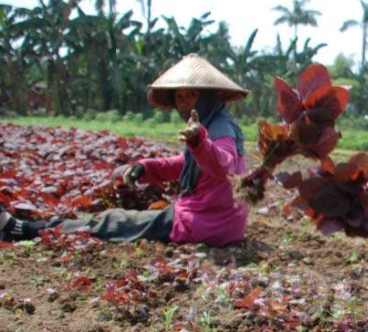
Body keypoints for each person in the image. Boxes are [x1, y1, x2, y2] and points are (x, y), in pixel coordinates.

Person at [1, 54, 249, 247]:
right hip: (221, 221)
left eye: (192, 95)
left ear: (207, 98)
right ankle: (37, 228)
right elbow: (187, 163)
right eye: (179, 96)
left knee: (114, 221)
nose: (183, 102)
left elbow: (224, 164)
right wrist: (147, 167)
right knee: (119, 220)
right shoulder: (214, 124)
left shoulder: (219, 129)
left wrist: (199, 142)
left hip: (207, 224)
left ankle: (25, 230)